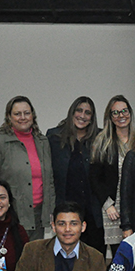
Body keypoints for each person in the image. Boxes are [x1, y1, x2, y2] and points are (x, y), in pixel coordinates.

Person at [0, 96, 55, 241]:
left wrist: (50, 211)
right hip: (12, 214)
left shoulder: (43, 141)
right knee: (14, 260)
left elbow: (50, 180)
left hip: (39, 215)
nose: (22, 117)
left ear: (33, 115)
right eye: (17, 114)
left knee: (35, 260)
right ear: (9, 117)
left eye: (27, 113)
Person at [48, 96, 103, 252]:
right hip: (65, 209)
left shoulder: (100, 138)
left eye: (88, 113)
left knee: (93, 257)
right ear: (72, 112)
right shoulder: (54, 137)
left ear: (92, 118)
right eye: (79, 110)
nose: (82, 116)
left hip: (93, 212)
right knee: (66, 256)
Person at [90, 95, 133, 256]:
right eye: (115, 113)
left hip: (134, 207)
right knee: (118, 255)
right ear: (110, 117)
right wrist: (107, 205)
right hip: (113, 209)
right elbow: (94, 178)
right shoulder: (102, 141)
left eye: (124, 111)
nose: (121, 116)